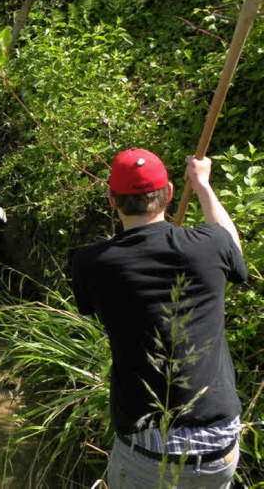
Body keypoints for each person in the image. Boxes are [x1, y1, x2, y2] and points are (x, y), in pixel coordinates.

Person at [71, 148, 246, 488]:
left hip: (148, 455)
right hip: (219, 446)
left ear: (111, 199)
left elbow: (92, 302)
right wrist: (202, 185)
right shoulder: (210, 246)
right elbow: (233, 249)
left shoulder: (91, 264)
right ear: (168, 193)